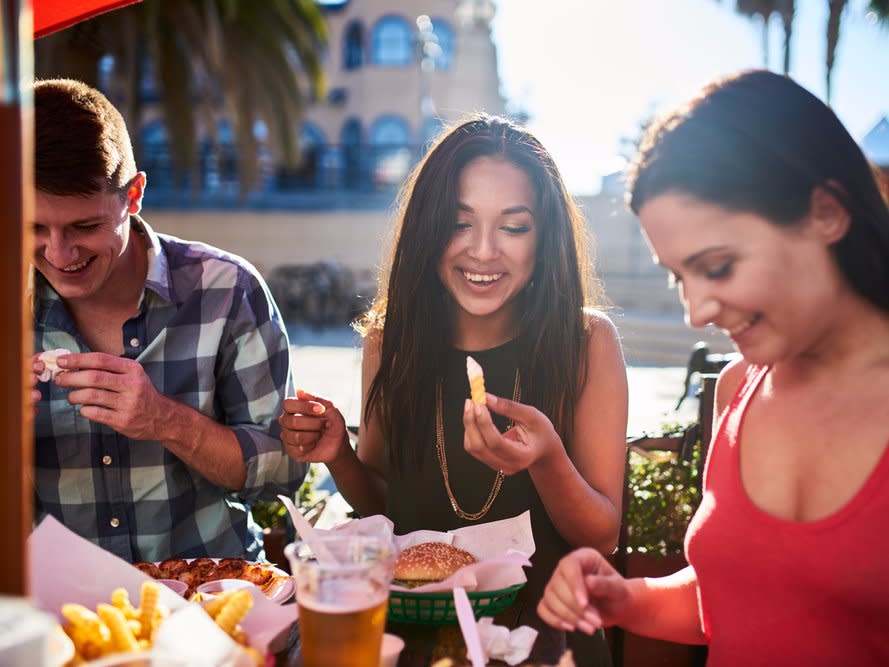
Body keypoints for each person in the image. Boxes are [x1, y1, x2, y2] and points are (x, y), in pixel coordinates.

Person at [537, 69, 889, 666]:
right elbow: (730, 600)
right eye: (680, 276)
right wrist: (620, 597)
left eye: (718, 266)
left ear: (826, 212)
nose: (696, 312)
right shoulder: (735, 391)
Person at [279, 114, 628, 664]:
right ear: (427, 228)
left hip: (545, 637)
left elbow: (601, 537)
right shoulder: (388, 338)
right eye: (459, 223)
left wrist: (546, 460)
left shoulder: (588, 342)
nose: (484, 250)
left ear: (546, 238)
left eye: (514, 227)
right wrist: (339, 456)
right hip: (411, 635)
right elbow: (387, 508)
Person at [30, 78, 305, 562]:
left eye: (85, 226)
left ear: (133, 195)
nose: (59, 253)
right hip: (55, 617)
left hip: (212, 601)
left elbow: (284, 469)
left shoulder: (226, 290)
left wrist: (166, 420)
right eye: (33, 227)